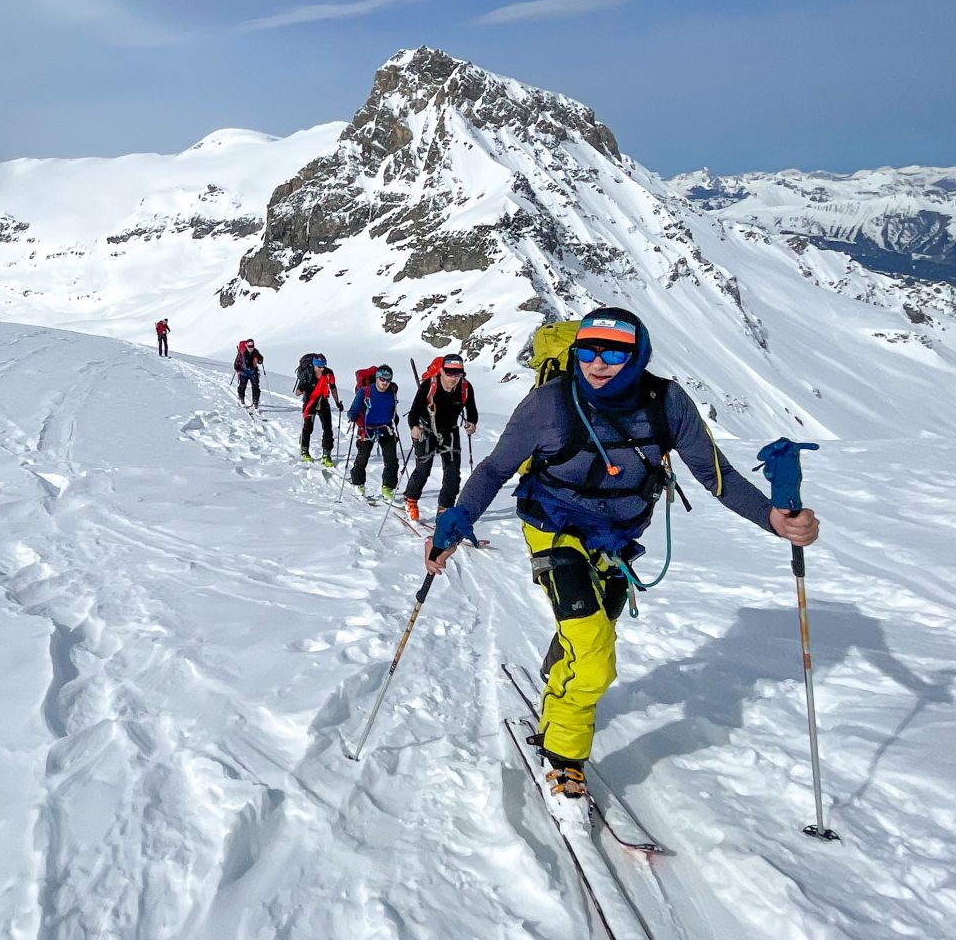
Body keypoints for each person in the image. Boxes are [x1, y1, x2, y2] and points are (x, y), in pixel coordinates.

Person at [424, 307, 820, 809]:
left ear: (639, 355)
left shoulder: (667, 403)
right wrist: (456, 523)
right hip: (553, 527)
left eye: (614, 352)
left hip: (617, 539)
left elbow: (714, 475)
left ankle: (562, 673)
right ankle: (563, 755)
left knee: (592, 632)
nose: (598, 363)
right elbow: (495, 469)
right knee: (593, 656)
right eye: (587, 350)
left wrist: (773, 518)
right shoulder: (548, 405)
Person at [404, 354, 478, 522]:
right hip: (426, 430)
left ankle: (444, 510)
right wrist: (414, 427)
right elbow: (414, 411)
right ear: (441, 371)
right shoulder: (429, 386)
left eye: (457, 374)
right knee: (423, 470)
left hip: (450, 432)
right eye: (449, 373)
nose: (453, 378)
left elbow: (472, 410)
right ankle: (411, 499)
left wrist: (472, 423)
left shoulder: (466, 387)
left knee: (453, 474)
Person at [346, 364, 402, 499]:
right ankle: (358, 482)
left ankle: (388, 487)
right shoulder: (365, 392)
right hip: (367, 428)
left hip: (385, 427)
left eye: (388, 380)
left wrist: (395, 419)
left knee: (391, 459)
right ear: (377, 378)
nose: (385, 383)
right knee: (363, 456)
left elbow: (392, 409)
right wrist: (352, 416)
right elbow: (353, 410)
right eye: (382, 379)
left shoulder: (392, 391)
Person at [296, 355, 338, 465]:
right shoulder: (307, 373)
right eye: (319, 367)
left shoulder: (328, 373)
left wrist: (337, 402)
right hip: (309, 402)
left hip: (323, 401)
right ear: (314, 365)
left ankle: (326, 454)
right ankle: (304, 450)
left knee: (328, 428)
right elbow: (297, 393)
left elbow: (333, 388)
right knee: (308, 427)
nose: (321, 369)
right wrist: (305, 387)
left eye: (323, 366)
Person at [234, 339, 264, 409]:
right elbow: (236, 362)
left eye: (252, 346)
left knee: (255, 387)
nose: (251, 347)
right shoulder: (242, 352)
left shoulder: (256, 352)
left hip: (253, 372)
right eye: (249, 346)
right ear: (246, 346)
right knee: (242, 386)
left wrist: (260, 360)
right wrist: (238, 369)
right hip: (243, 372)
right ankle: (241, 398)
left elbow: (260, 358)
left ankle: (255, 401)